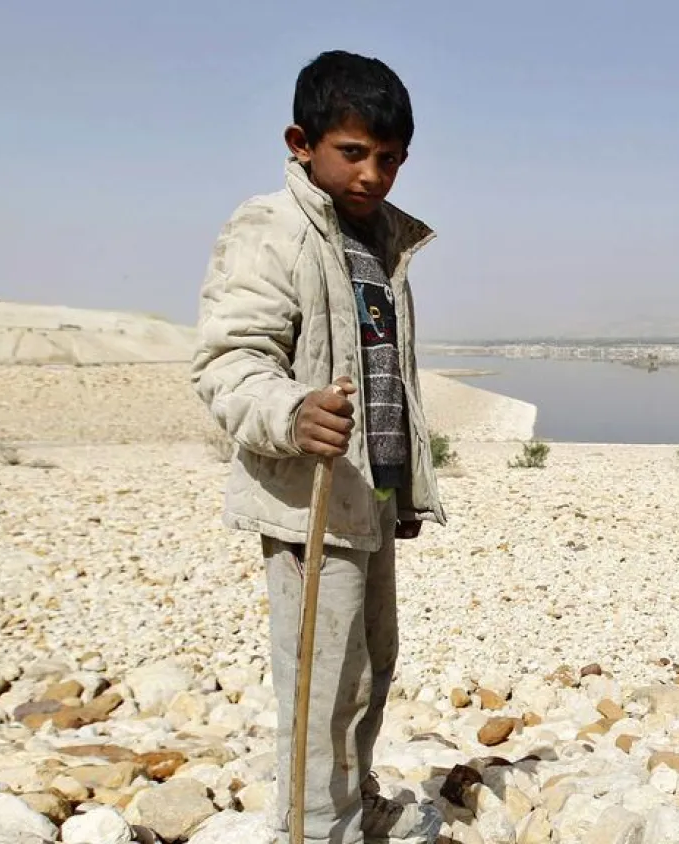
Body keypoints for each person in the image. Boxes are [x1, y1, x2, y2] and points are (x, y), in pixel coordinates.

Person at [191, 49, 445, 844]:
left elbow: (383, 373)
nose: (374, 174)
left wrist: (402, 487)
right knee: (322, 678)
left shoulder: (383, 241)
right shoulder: (272, 227)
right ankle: (312, 828)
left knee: (373, 660)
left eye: (392, 158)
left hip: (369, 491)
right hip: (308, 497)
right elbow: (229, 361)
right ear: (301, 141)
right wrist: (291, 411)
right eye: (355, 153)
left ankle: (349, 801)